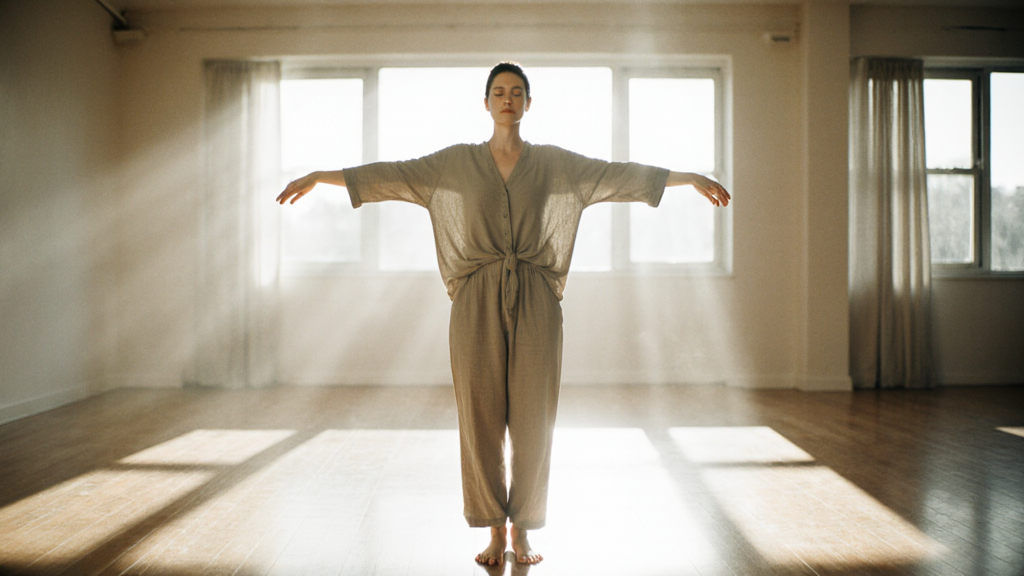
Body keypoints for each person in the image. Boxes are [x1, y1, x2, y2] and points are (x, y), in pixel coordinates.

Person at [277, 62, 730, 566]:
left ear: (528, 104)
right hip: (474, 300)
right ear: (486, 103)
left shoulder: (556, 164)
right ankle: (494, 530)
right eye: (499, 92)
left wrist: (687, 179)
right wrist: (321, 176)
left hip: (538, 298)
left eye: (516, 92)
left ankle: (524, 530)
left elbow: (617, 176)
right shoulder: (453, 163)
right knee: (481, 418)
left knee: (535, 419)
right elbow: (392, 175)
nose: (507, 99)